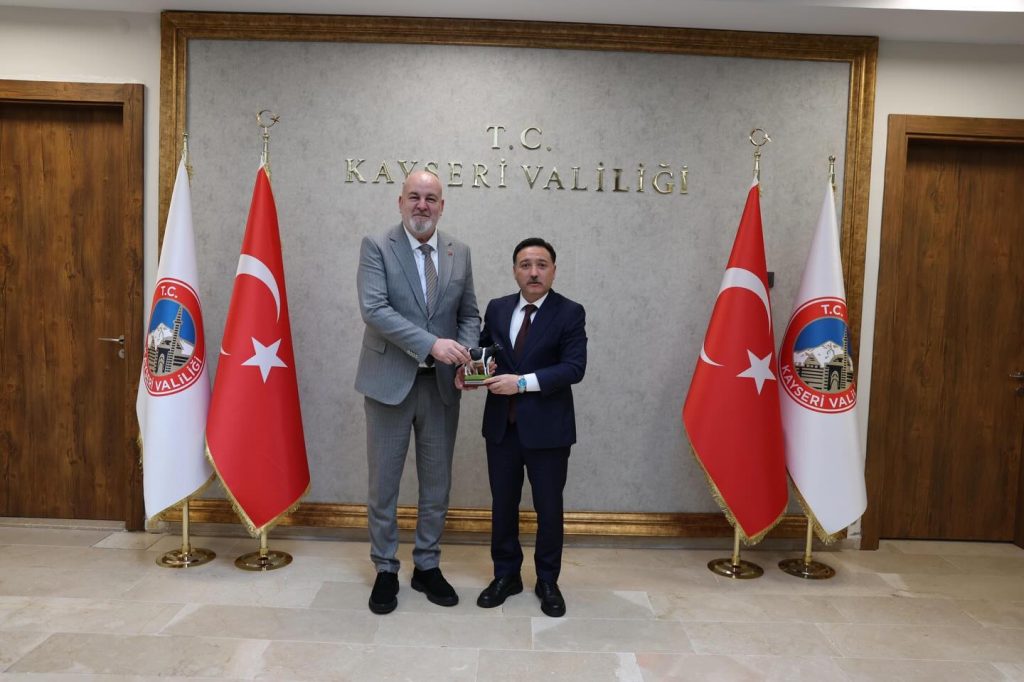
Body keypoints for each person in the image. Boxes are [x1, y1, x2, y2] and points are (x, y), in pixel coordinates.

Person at [355, 170, 479, 615]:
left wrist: (464, 358)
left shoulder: (459, 252)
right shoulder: (377, 246)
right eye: (414, 196)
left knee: (437, 484)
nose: (422, 205)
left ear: (442, 206)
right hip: (388, 383)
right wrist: (432, 345)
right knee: (384, 484)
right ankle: (386, 568)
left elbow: (469, 314)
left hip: (441, 388)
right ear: (400, 201)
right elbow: (374, 309)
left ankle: (427, 565)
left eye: (431, 198)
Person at [457, 237, 587, 617]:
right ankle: (506, 575)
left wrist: (522, 383)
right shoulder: (498, 308)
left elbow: (574, 368)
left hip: (549, 431)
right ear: (514, 270)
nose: (533, 272)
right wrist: (470, 374)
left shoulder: (570, 312)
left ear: (553, 271)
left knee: (549, 508)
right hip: (502, 429)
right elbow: (485, 351)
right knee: (503, 505)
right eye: (525, 265)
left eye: (541, 265)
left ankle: (547, 580)